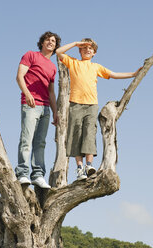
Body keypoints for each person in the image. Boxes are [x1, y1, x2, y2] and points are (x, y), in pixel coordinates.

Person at [56, 38, 141, 180]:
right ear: (80, 50)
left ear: (94, 53)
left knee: (89, 133)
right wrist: (77, 43)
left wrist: (132, 74)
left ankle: (89, 165)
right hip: (75, 104)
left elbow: (113, 74)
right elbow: (58, 52)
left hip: (91, 105)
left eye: (90, 49)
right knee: (76, 134)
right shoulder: (73, 62)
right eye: (84, 48)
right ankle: (79, 169)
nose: (87, 50)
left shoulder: (96, 67)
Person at [15, 31, 61, 189]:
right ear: (42, 42)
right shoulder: (30, 55)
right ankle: (22, 173)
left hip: (46, 107)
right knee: (26, 139)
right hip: (31, 104)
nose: (50, 42)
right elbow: (19, 76)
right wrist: (27, 94)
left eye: (54, 41)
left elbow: (51, 92)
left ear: (56, 46)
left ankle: (38, 175)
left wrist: (55, 112)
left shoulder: (53, 67)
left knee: (40, 143)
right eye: (48, 40)